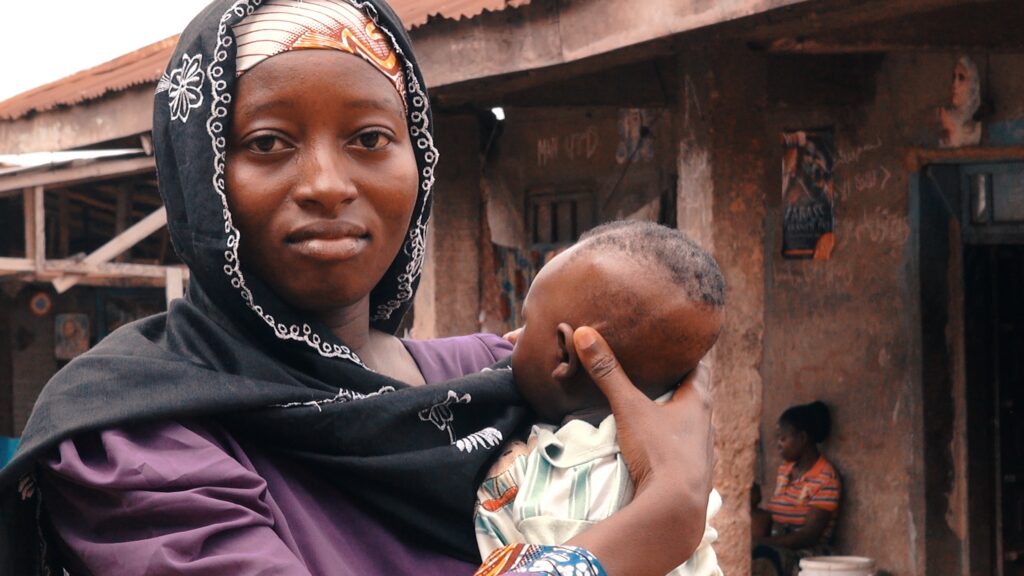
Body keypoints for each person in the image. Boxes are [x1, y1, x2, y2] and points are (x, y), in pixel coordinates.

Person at [0, 1, 715, 575]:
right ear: (200, 175)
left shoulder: (498, 376)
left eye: (370, 139)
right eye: (268, 143)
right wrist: (649, 530)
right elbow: (662, 510)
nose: (326, 184)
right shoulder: (134, 433)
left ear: (419, 162)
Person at [474, 221, 725, 576]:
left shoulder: (562, 482)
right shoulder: (685, 459)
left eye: (527, 323)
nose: (510, 338)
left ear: (564, 354)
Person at [752, 401, 841, 576]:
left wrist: (761, 542)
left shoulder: (826, 478)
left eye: (783, 438)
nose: (778, 444)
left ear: (802, 438)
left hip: (808, 553)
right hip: (777, 541)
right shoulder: (785, 470)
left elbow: (809, 536)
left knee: (760, 557)